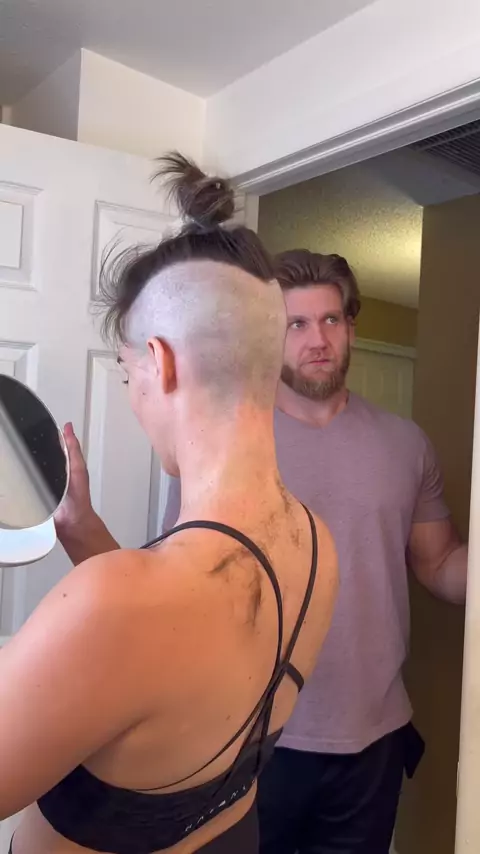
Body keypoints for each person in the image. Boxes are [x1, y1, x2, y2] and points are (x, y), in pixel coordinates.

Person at [0, 160, 339, 854]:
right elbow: (188, 658)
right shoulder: (316, 545)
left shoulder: (118, 603)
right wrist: (89, 538)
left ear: (160, 361)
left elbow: (148, 625)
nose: (132, 396)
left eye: (127, 373)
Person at [161, 250, 469, 853]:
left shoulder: (405, 444)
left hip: (373, 740)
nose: (317, 340)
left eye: (330, 319)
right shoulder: (221, 444)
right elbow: (178, 585)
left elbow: (438, 563)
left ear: (351, 326)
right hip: (250, 739)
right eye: (296, 324)